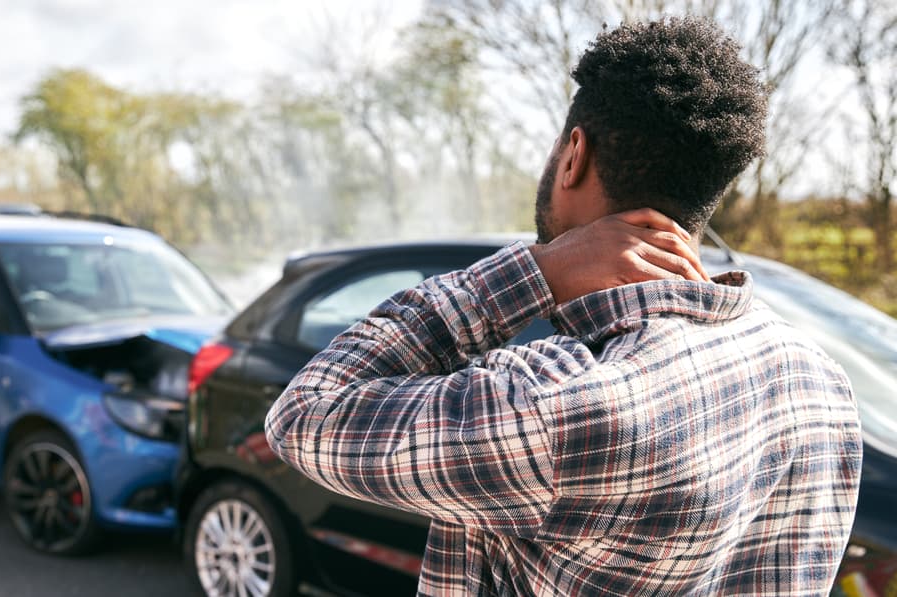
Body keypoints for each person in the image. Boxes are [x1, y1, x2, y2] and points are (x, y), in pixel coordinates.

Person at [266, 16, 862, 596]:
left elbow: (304, 415)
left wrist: (535, 271)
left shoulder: (556, 402)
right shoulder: (820, 381)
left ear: (574, 154)